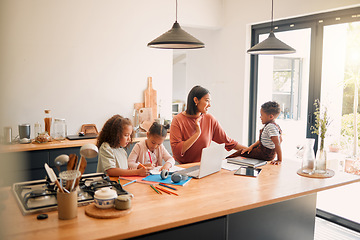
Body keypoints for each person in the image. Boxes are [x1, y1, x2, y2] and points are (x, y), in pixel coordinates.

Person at [170, 85, 245, 164]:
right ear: (196, 100)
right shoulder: (178, 120)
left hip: (203, 167)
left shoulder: (209, 119)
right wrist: (197, 134)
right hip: (183, 168)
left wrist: (250, 149)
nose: (209, 105)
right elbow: (177, 152)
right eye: (207, 101)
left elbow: (228, 142)